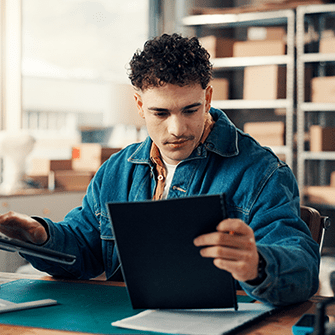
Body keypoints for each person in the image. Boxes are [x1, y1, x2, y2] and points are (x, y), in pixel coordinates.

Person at [0, 33, 319, 306]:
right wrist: (41, 237)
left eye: (190, 109)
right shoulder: (116, 171)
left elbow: (303, 268)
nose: (177, 128)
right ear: (139, 105)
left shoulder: (263, 172)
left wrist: (256, 264)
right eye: (160, 112)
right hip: (125, 321)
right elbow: (83, 250)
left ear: (207, 98)